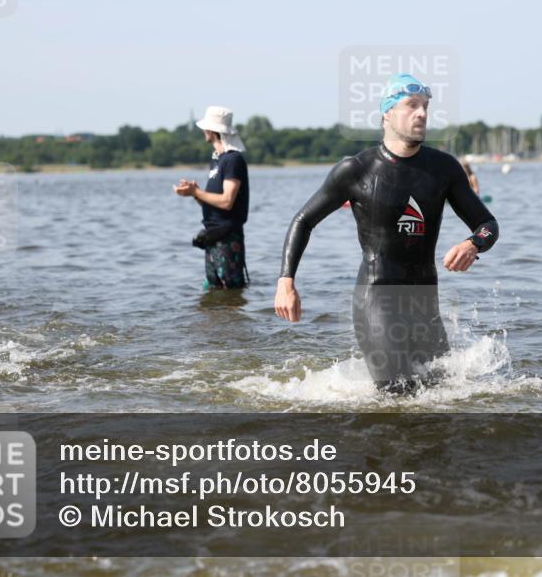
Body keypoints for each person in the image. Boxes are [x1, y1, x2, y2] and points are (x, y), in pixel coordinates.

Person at [275, 74, 499, 394]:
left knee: (443, 395)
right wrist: (286, 282)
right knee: (398, 394)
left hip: (424, 303)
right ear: (387, 114)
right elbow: (303, 221)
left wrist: (473, 243)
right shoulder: (356, 170)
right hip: (377, 300)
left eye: (425, 107)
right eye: (411, 106)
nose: (421, 113)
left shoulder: (444, 168)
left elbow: (488, 224)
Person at [174, 106, 250, 290]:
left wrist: (196, 193)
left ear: (212, 131)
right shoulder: (217, 160)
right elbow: (213, 200)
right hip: (213, 236)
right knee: (214, 292)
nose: (203, 132)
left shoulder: (233, 160)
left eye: (205, 128)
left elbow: (226, 201)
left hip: (228, 237)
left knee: (231, 292)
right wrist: (194, 192)